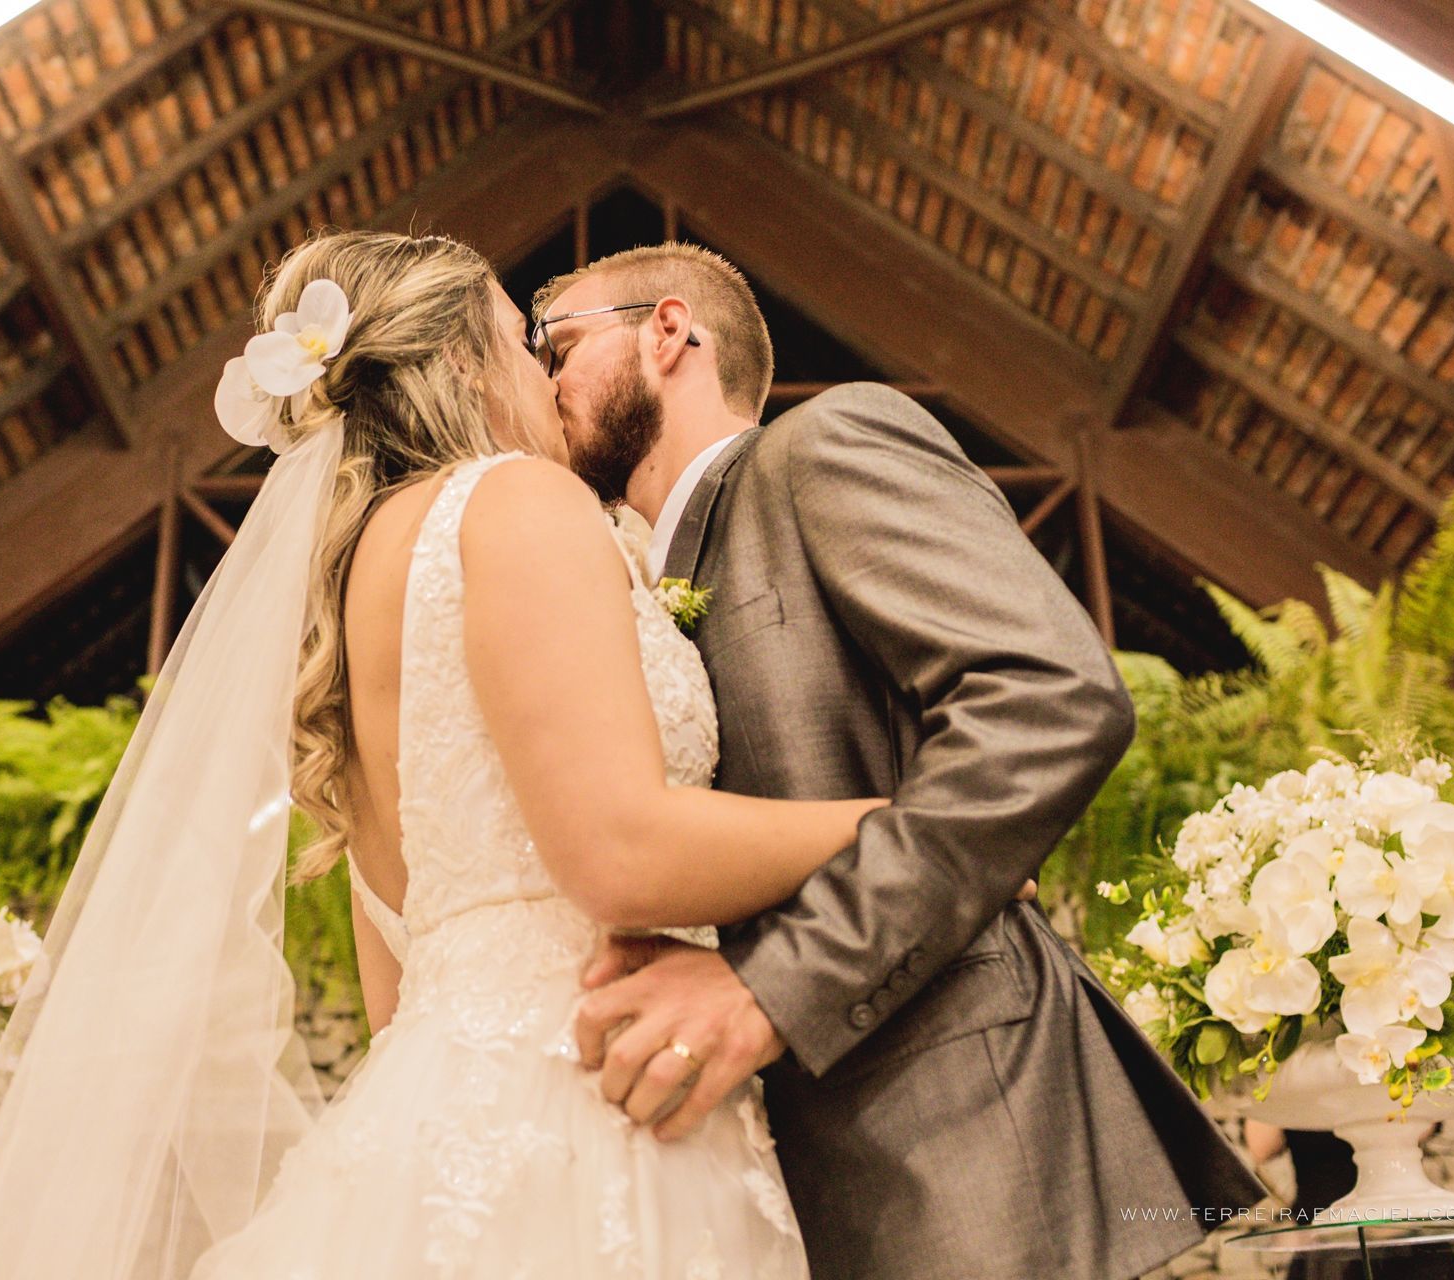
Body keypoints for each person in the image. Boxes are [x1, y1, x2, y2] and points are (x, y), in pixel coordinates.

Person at [0, 229, 1049, 1279]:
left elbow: (396, 989)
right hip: (591, 1126)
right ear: (463, 362)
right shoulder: (516, 500)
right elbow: (622, 852)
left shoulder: (355, 600)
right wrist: (917, 834)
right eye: (522, 340)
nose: (546, 375)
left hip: (428, 1135)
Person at [531, 243, 1271, 1279]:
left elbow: (1050, 698)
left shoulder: (824, 445)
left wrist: (770, 988)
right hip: (764, 1180)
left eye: (556, 345)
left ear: (666, 331)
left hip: (956, 1133)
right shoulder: (622, 596)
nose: (543, 382)